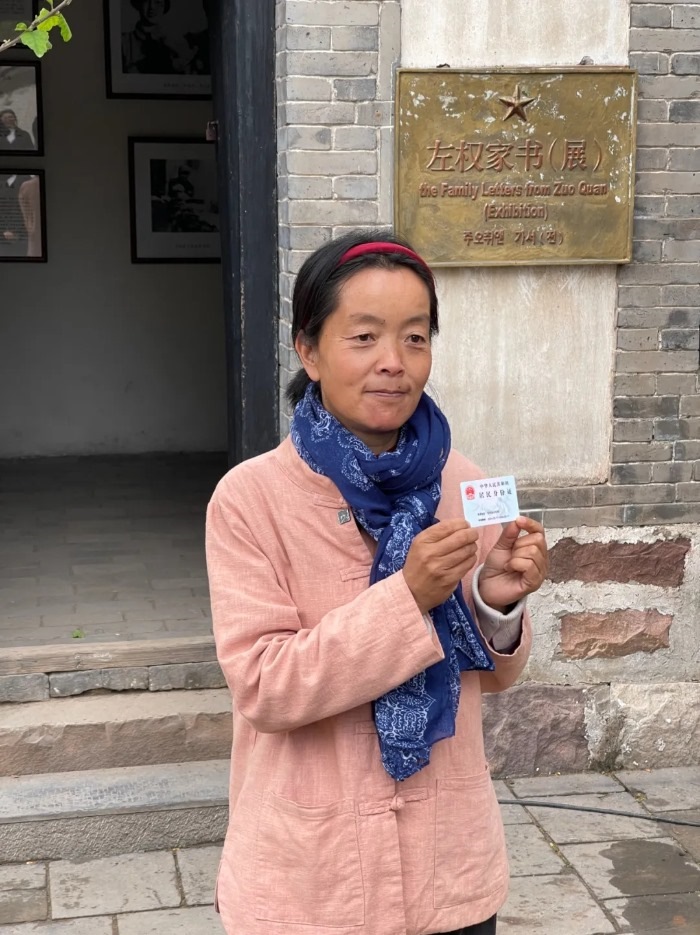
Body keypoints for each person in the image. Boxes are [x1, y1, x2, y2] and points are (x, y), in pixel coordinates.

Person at [206, 231, 549, 935]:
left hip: (448, 870)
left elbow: (496, 676)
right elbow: (265, 686)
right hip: (311, 881)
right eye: (364, 336)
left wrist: (497, 602)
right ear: (309, 350)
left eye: (415, 337)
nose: (394, 361)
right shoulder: (250, 499)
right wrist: (407, 598)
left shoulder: (466, 484)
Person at [121, 0, 205, 75]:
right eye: (146, 1)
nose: (152, 7)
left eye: (158, 2)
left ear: (165, 5)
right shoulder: (124, 42)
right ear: (138, 4)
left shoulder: (178, 41)